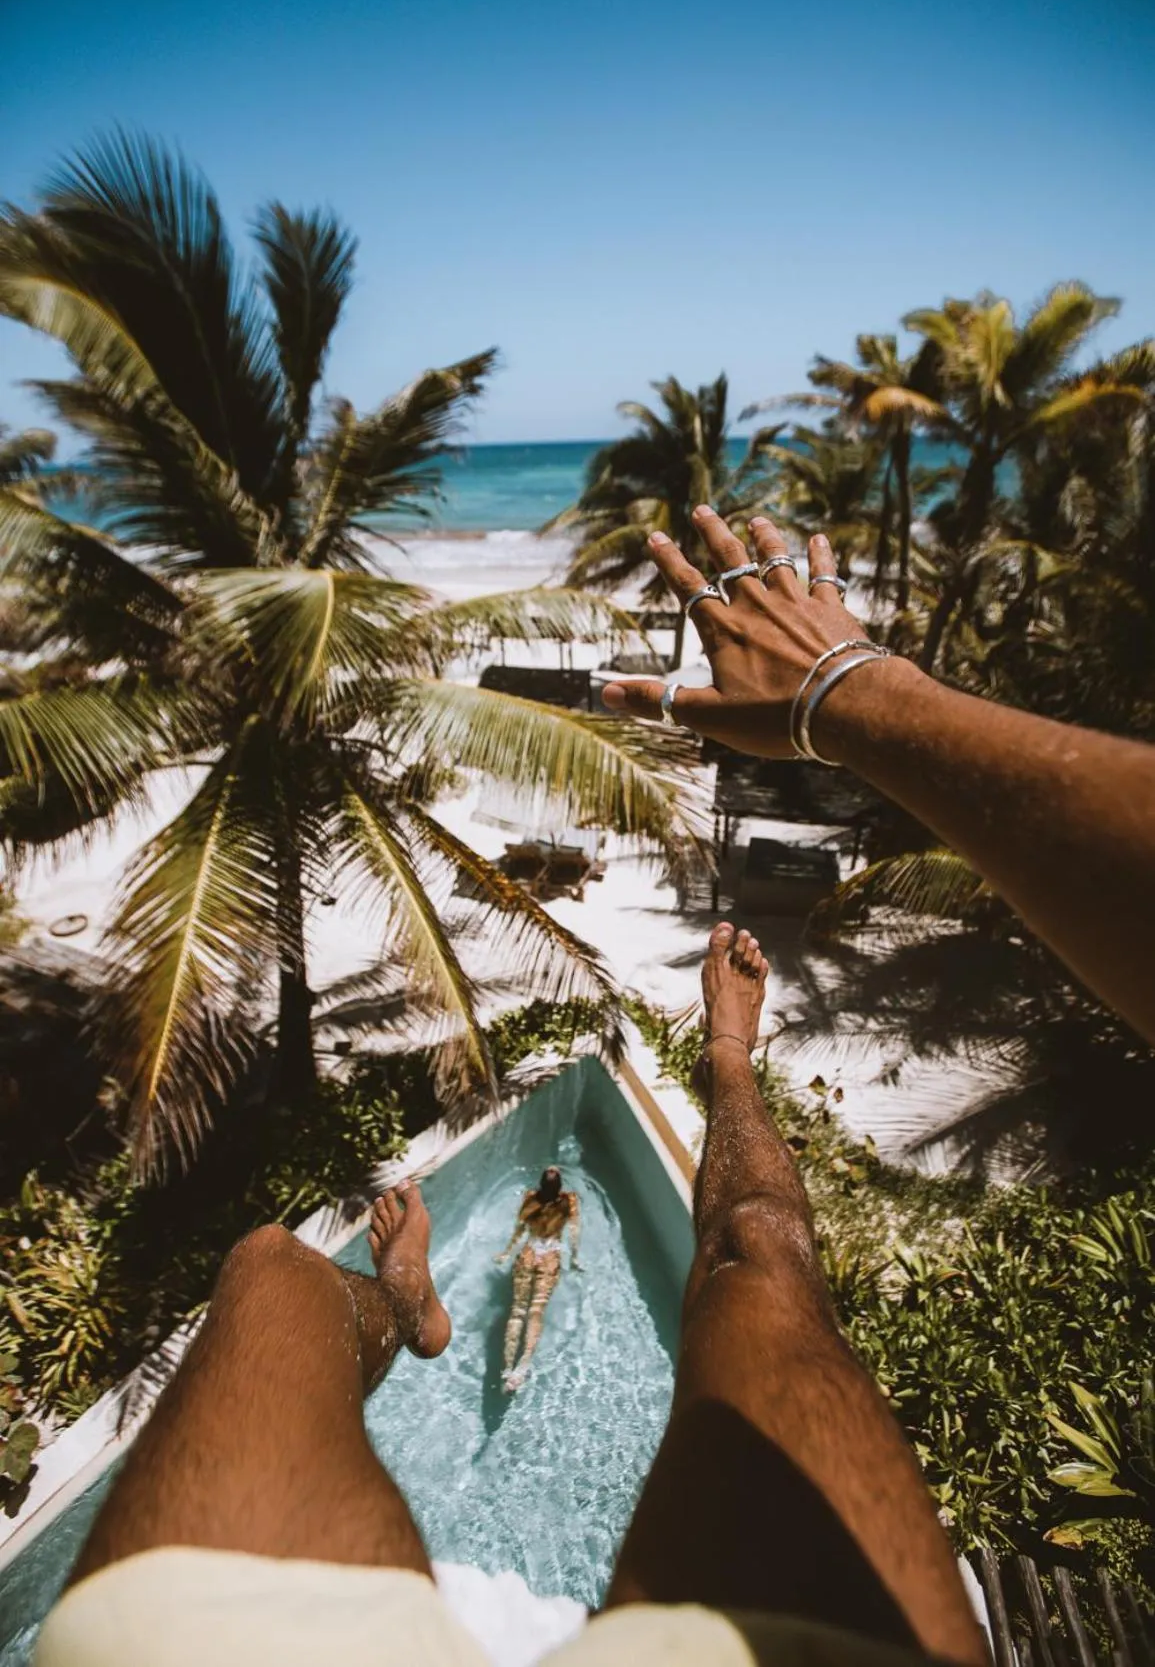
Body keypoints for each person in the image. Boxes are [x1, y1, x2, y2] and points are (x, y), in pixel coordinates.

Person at [35, 508, 1155, 1667]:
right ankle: (724, 1063)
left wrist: (847, 691)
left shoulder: (544, 1211)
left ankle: (401, 1305)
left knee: (270, 1265)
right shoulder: (553, 1213)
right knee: (757, 1255)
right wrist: (851, 691)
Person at [494, 1165, 582, 1392]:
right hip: (550, 1256)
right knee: (536, 1311)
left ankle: (507, 1369)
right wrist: (574, 1258)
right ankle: (522, 1367)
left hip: (529, 1254)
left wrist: (507, 1252)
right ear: (560, 1187)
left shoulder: (529, 1198)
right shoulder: (569, 1201)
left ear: (540, 1185)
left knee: (517, 1311)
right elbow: (574, 1234)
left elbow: (520, 1228)